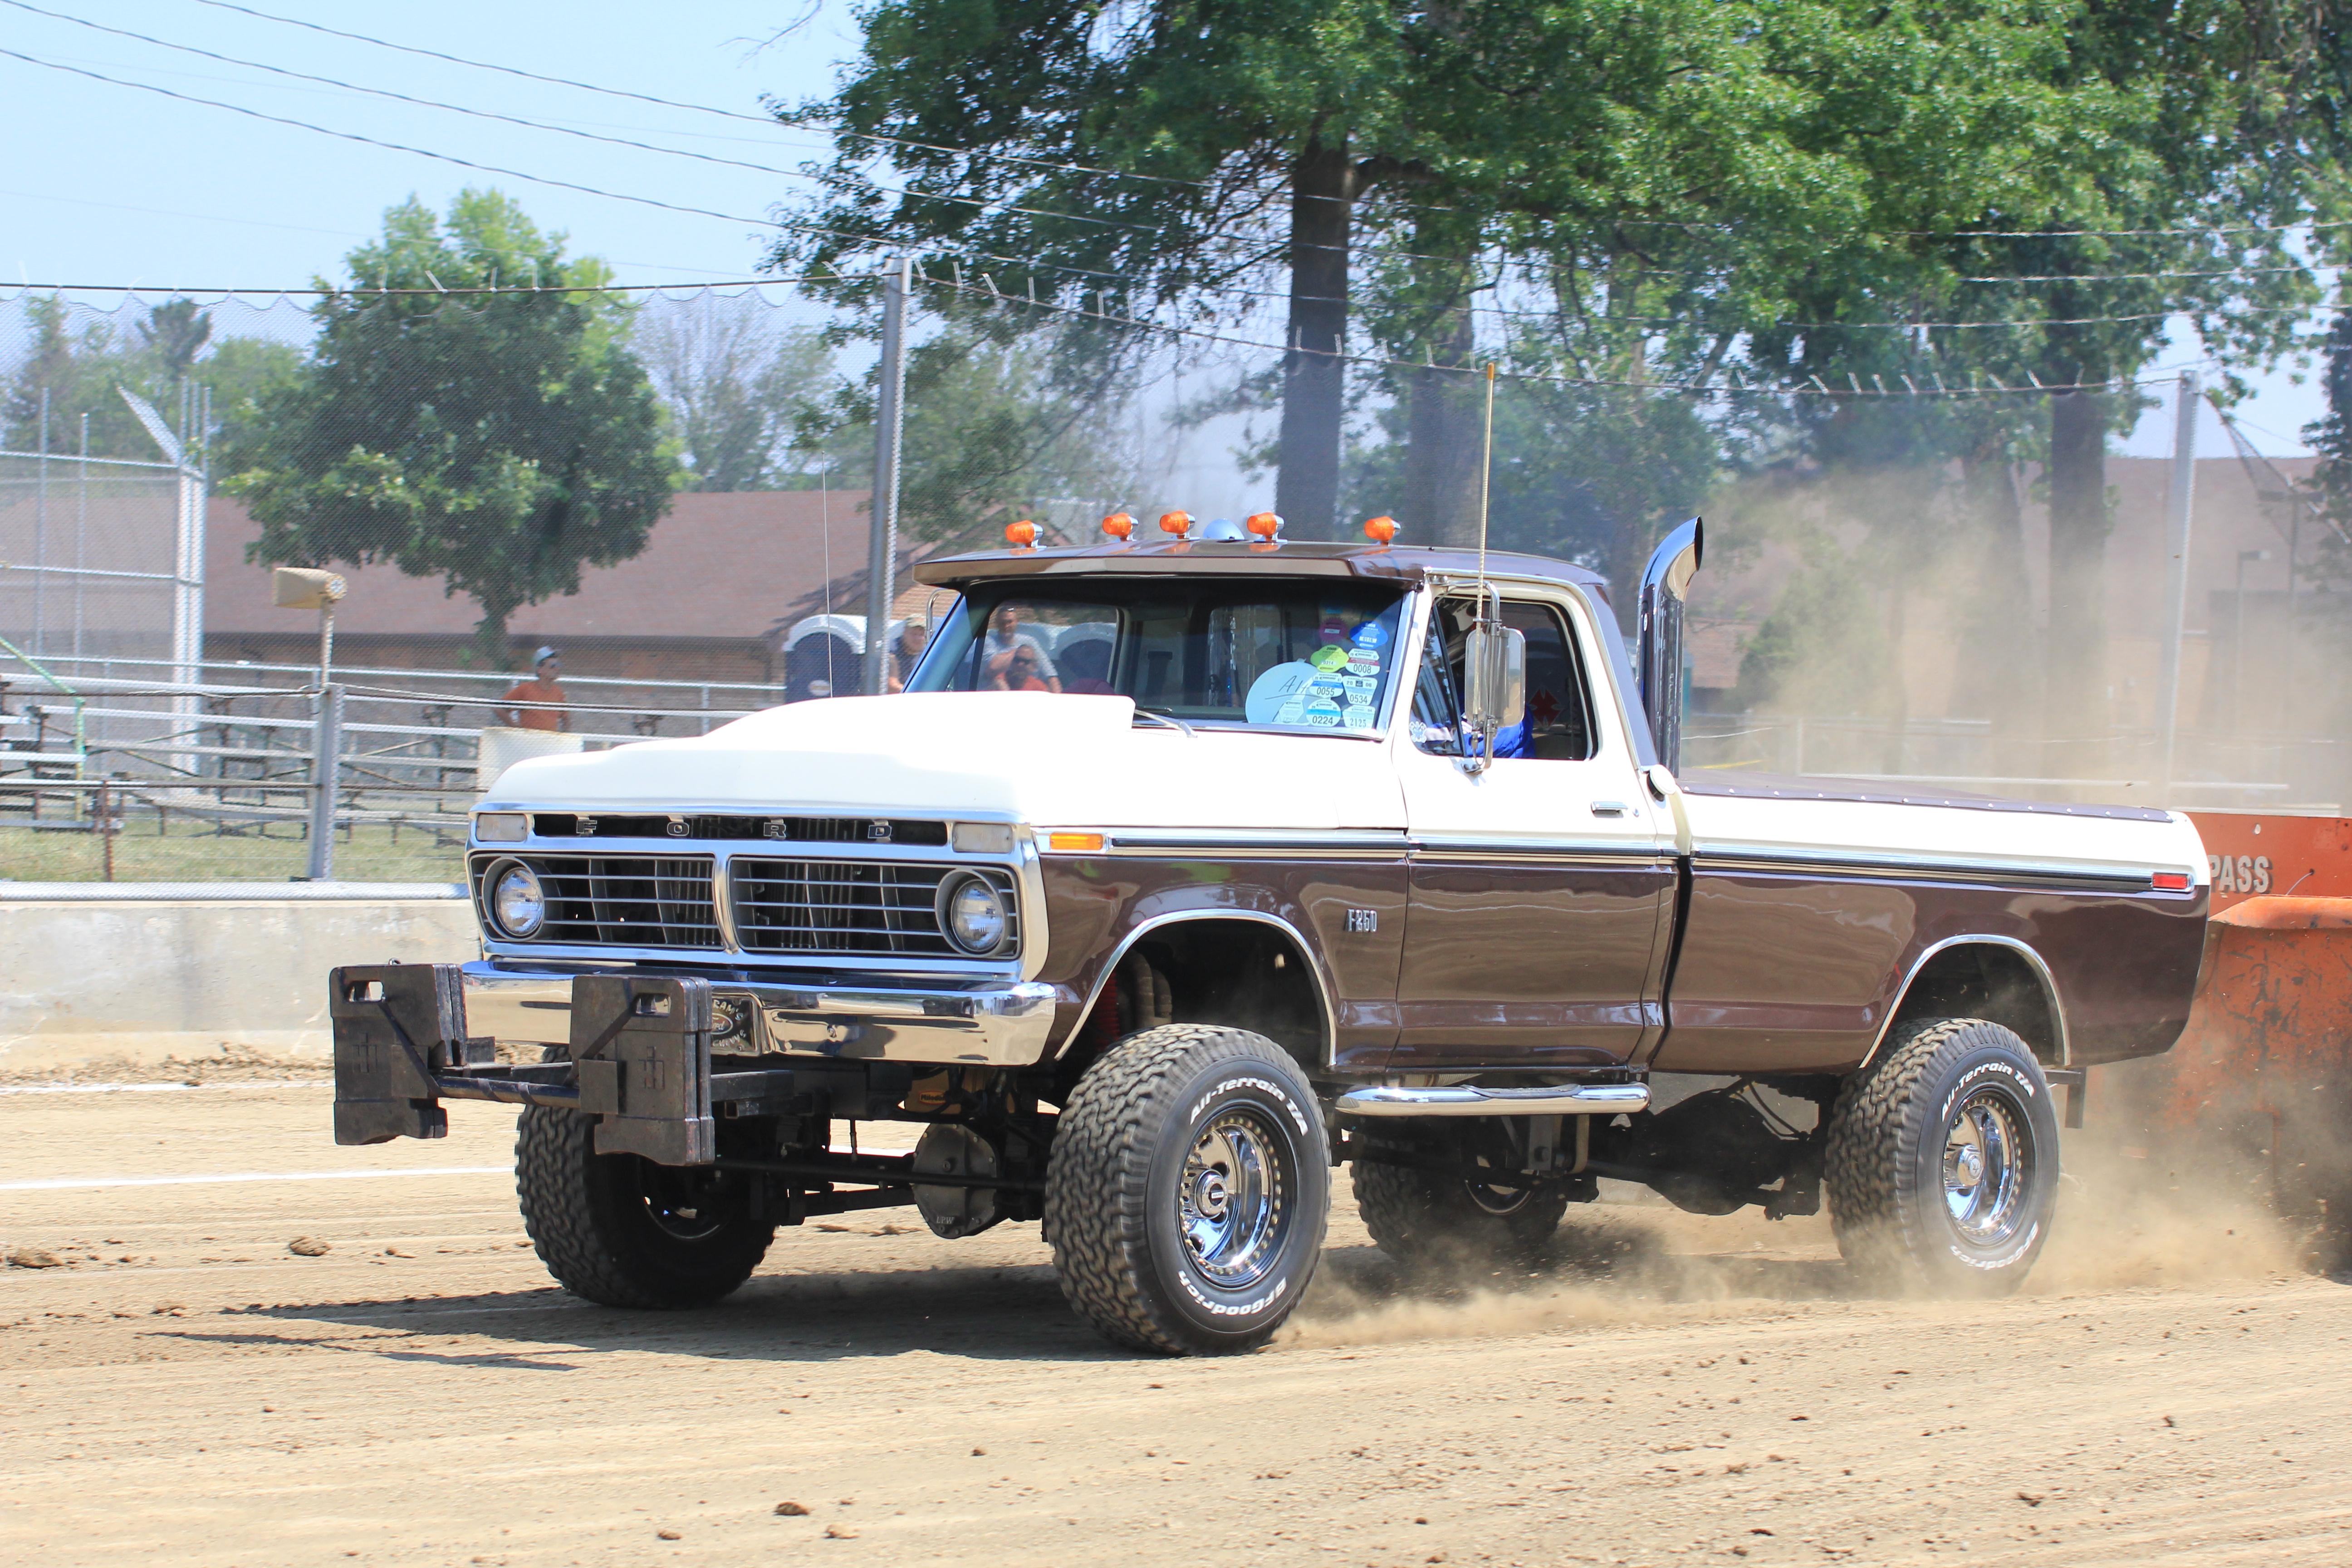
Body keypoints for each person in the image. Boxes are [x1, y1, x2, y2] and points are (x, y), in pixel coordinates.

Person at [981, 603, 1062, 693]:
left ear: (1017, 622)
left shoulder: (1030, 641)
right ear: (996, 624)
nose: (1006, 626)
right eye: (1002, 623)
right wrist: (1022, 651)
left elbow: (1050, 675)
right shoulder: (987, 642)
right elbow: (993, 669)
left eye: (1010, 622)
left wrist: (1057, 698)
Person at [498, 647, 569, 731]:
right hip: (530, 741)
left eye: (559, 665)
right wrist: (516, 729)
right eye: (553, 666)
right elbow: (499, 708)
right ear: (540, 670)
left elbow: (566, 718)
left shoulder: (558, 692)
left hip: (550, 741)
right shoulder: (526, 689)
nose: (557, 669)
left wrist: (563, 737)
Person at [886, 618, 929, 693]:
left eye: (921, 634)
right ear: (905, 632)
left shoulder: (926, 654)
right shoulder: (892, 651)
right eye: (914, 634)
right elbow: (892, 686)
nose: (918, 638)